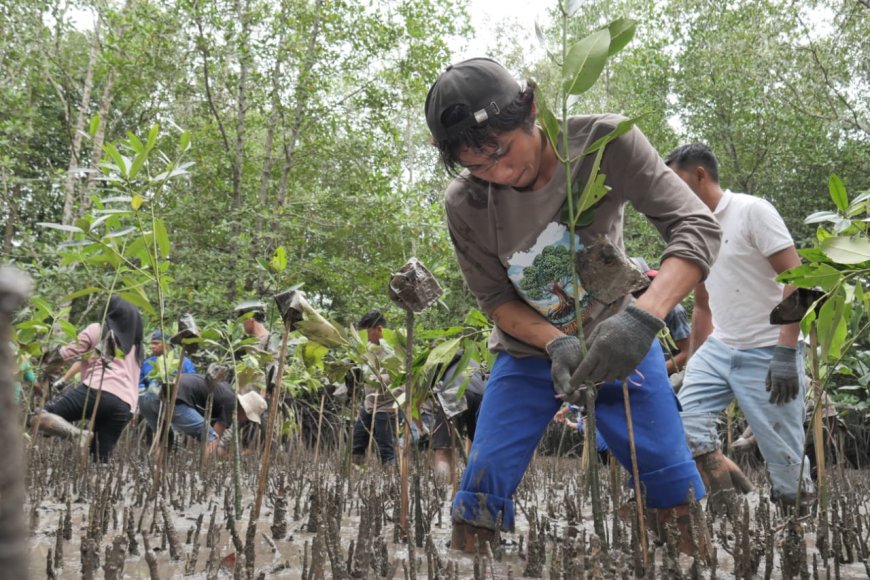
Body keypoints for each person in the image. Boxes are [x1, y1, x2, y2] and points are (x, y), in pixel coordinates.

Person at [424, 58, 721, 554]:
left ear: (532, 110)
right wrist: (556, 340)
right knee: (479, 494)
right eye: (478, 165)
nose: (497, 172)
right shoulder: (465, 202)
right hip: (528, 352)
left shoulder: (606, 142)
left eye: (500, 150)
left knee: (674, 486)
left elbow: (697, 228)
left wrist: (643, 318)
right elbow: (495, 298)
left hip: (621, 337)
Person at [665, 143, 814, 511]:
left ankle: (798, 525)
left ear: (700, 174)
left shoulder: (751, 211)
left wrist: (785, 350)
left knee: (784, 457)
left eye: (676, 180)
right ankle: (728, 495)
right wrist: (694, 363)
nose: (669, 189)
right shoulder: (693, 227)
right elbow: (702, 304)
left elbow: (799, 281)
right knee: (682, 424)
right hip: (720, 347)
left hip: (768, 348)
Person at [36, 295, 144, 462]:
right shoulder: (138, 348)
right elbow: (135, 380)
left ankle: (77, 435)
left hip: (96, 391)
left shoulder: (99, 329)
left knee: (39, 416)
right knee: (100, 459)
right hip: (125, 405)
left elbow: (66, 353)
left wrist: (41, 359)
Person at [138, 372, 266, 455]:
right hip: (170, 399)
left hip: (147, 397)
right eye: (247, 417)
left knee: (166, 439)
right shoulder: (231, 404)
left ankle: (156, 472)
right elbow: (214, 440)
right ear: (244, 409)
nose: (244, 420)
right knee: (211, 437)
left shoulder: (225, 391)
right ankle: (203, 473)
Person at [350, 310, 399, 465]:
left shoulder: (394, 348)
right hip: (369, 404)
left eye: (368, 333)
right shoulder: (369, 349)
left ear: (379, 329)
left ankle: (391, 482)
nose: (366, 338)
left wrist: (375, 379)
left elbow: (399, 376)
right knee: (357, 443)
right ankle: (355, 477)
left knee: (385, 448)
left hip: (387, 406)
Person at [429, 353, 487, 480]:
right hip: (482, 397)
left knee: (443, 447)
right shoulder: (472, 360)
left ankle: (443, 485)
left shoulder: (439, 357)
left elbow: (428, 388)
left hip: (456, 393)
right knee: (479, 444)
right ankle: (476, 483)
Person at [630, 258, 692, 377]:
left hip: (668, 375)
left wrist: (655, 374)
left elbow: (687, 353)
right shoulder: (631, 311)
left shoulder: (674, 311)